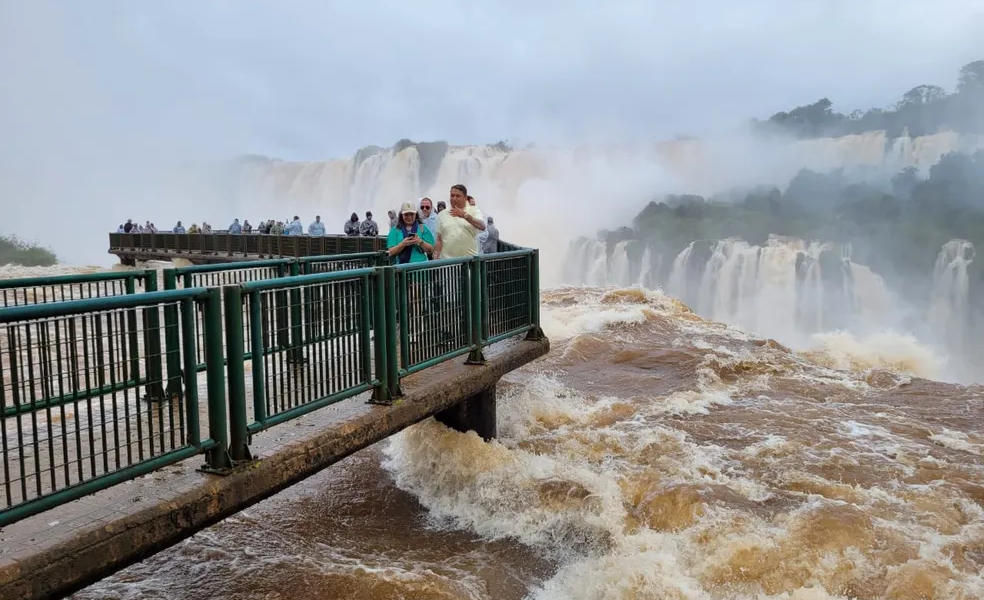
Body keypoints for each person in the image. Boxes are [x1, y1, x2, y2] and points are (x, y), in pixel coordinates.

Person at [434, 184, 485, 259]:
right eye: (452, 196)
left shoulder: (474, 210)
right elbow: (439, 239)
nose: (454, 198)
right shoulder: (442, 214)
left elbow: (482, 226)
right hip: (448, 261)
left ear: (465, 198)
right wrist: (435, 257)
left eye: (458, 196)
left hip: (469, 260)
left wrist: (464, 215)